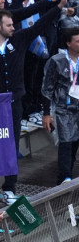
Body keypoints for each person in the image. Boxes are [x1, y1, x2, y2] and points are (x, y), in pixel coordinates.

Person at [0, 0, 64, 201]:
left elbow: (39, 25)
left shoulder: (19, 40)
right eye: (9, 25)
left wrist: (57, 7)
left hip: (14, 103)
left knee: (11, 144)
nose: (13, 27)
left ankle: (9, 187)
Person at [42, 28, 79, 183]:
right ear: (68, 43)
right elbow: (47, 87)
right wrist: (46, 113)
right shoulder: (57, 60)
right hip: (63, 107)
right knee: (66, 141)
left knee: (75, 141)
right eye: (77, 41)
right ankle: (64, 178)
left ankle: (66, 173)